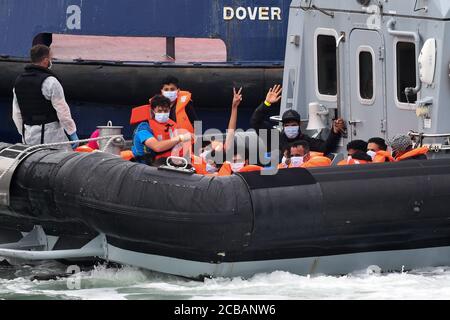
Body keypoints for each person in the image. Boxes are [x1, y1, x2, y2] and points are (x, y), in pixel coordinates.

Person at [250, 85, 346, 161]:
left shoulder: (306, 141)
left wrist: (334, 132)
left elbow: (325, 148)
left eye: (293, 125)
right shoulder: (275, 138)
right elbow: (256, 122)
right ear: (283, 126)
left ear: (299, 125)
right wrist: (267, 103)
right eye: (287, 125)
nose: (290, 128)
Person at [12, 45, 78, 148]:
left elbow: (16, 113)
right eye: (51, 58)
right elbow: (62, 111)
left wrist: (24, 131)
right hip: (51, 136)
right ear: (46, 60)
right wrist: (72, 132)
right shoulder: (51, 82)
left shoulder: (19, 82)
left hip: (28, 136)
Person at [130, 95, 192, 166]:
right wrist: (180, 138)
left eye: (165, 111)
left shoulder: (171, 125)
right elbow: (157, 147)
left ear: (169, 110)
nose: (163, 113)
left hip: (166, 160)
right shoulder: (144, 127)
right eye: (159, 111)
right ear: (153, 110)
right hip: (145, 164)